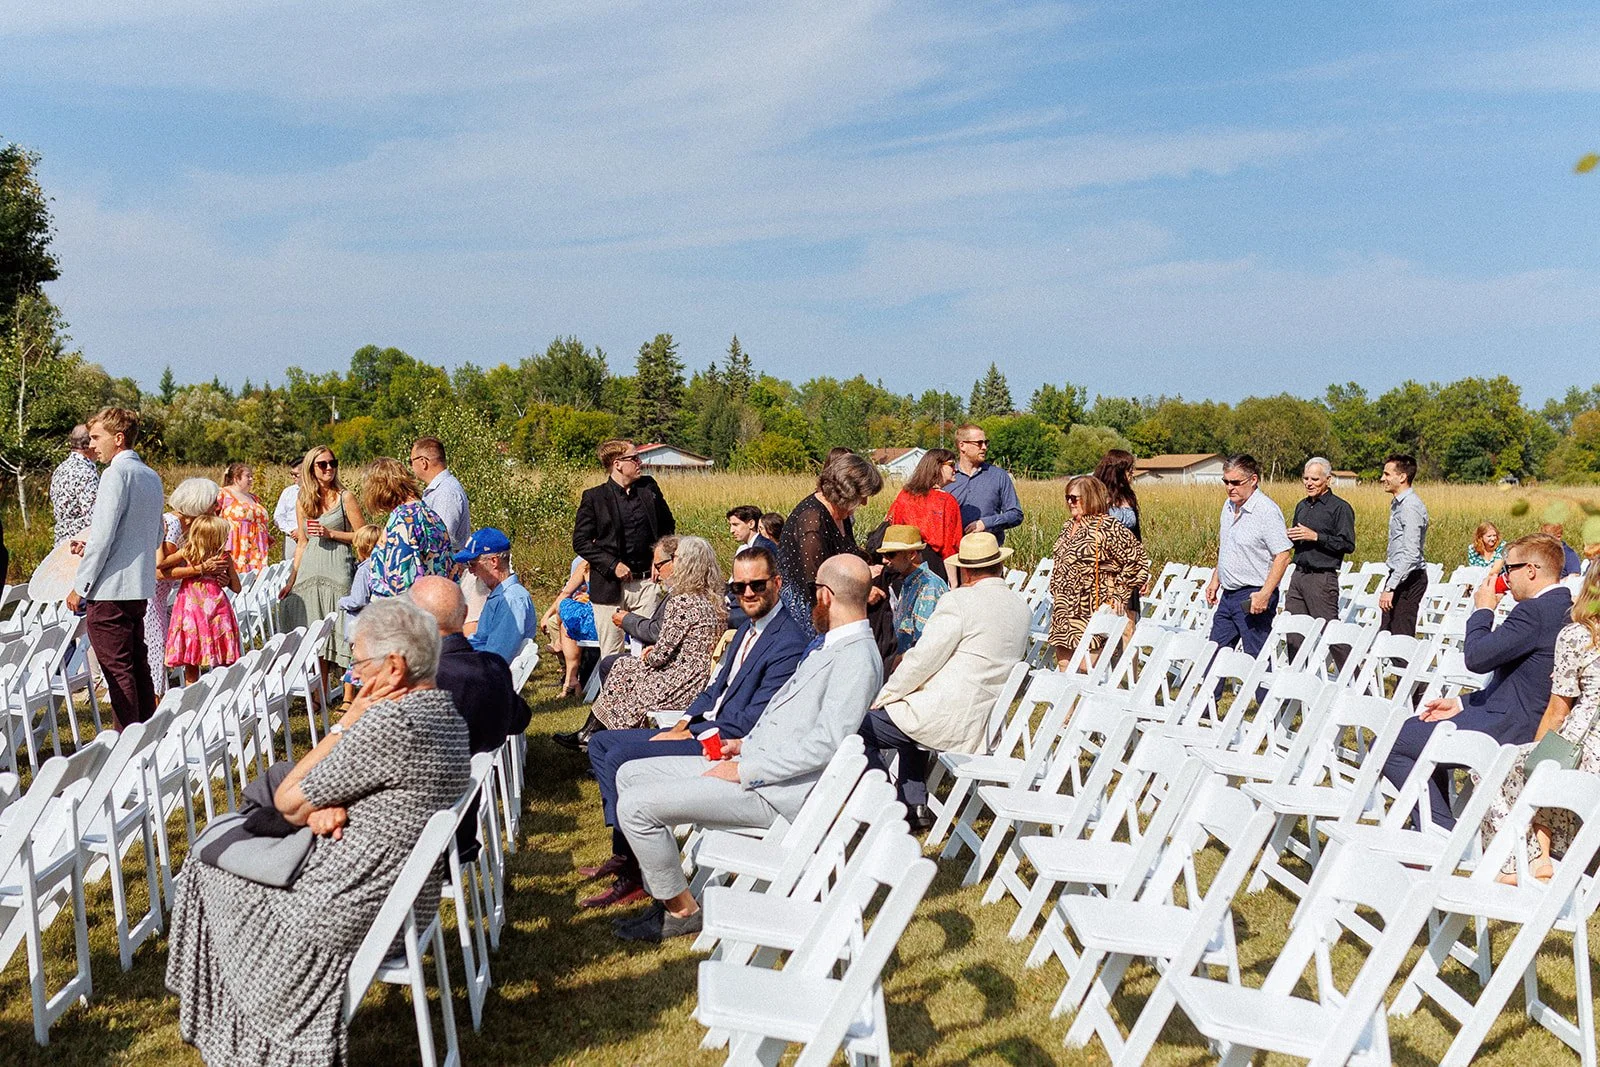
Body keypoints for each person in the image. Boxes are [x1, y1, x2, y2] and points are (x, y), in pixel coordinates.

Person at [165, 597, 471, 1067]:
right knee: (229, 849)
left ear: (393, 668)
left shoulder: (392, 721)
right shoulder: (444, 714)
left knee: (206, 866)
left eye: (358, 662)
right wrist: (320, 807)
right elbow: (357, 791)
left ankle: (228, 1024)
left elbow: (288, 800)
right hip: (402, 899)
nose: (351, 675)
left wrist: (346, 723)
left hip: (345, 907)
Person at [611, 554, 881, 941]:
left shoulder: (855, 657)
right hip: (755, 765)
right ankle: (667, 889)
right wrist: (741, 745)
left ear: (825, 594)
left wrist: (747, 770)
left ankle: (681, 909)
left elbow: (828, 744)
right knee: (630, 773)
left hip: (774, 792)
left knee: (635, 808)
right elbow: (791, 720)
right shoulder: (834, 645)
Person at [578, 547, 806, 908]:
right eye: (738, 587)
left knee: (619, 756)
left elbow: (754, 720)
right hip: (701, 726)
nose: (747, 594)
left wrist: (695, 732)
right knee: (602, 743)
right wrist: (683, 722)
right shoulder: (750, 627)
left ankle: (634, 870)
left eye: (757, 585)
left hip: (722, 744)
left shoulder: (787, 642)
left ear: (776, 584)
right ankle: (627, 851)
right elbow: (716, 688)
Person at [1381, 534, 1573, 829]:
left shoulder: (1534, 612)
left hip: (1510, 727)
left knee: (1396, 743)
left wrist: (1483, 609)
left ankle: (1439, 832)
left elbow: (1477, 658)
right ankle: (1435, 827)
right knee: (1420, 730)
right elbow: (1518, 680)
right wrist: (1460, 703)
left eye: (1509, 569)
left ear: (1531, 570)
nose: (1505, 579)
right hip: (1512, 714)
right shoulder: (1563, 607)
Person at [860, 532, 1031, 826]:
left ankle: (886, 807)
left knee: (856, 725)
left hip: (949, 714)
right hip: (985, 717)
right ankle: (913, 805)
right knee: (907, 714)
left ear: (965, 569)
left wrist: (885, 695)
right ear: (999, 566)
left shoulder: (960, 601)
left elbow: (923, 658)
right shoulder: (1021, 607)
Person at [1477, 559, 1600, 882]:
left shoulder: (1580, 636)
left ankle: (1522, 858)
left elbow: (1558, 711)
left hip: (1587, 747)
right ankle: (1541, 856)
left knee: (1504, 765)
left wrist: (1539, 749)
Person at [562, 536, 724, 746]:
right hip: (697, 678)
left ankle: (613, 741)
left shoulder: (683, 602)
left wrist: (650, 654)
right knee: (623, 667)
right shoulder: (713, 600)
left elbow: (660, 656)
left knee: (623, 673)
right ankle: (596, 734)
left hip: (680, 684)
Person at [67, 407, 164, 729]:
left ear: (118, 438)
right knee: (137, 665)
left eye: (97, 437)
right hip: (138, 585)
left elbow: (103, 535)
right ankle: (145, 733)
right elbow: (156, 535)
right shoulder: (150, 476)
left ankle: (125, 741)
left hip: (109, 590)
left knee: (117, 671)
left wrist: (80, 586)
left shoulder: (115, 474)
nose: (92, 444)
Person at [573, 439, 675, 659]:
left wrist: (660, 559)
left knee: (648, 648)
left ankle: (645, 693)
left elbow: (668, 527)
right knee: (611, 652)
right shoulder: (594, 497)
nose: (640, 462)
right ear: (618, 463)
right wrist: (612, 565)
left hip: (646, 582)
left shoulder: (649, 488)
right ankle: (612, 692)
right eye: (635, 458)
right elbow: (580, 542)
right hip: (609, 585)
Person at [410, 576, 531, 754]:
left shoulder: (419, 679)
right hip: (483, 770)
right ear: (465, 614)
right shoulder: (494, 667)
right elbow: (520, 719)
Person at [1048, 476, 1152, 669]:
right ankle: (1069, 701)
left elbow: (1136, 560)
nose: (1070, 502)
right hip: (1064, 606)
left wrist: (1120, 593)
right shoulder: (1068, 526)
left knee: (1086, 667)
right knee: (1064, 666)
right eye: (1067, 498)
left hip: (1091, 605)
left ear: (1090, 497)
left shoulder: (1108, 527)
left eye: (1074, 498)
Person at [776, 451, 883, 637]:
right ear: (847, 492)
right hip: (809, 618)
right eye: (862, 496)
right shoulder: (813, 520)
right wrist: (863, 592)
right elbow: (816, 584)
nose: (864, 503)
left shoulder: (841, 514)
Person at [281, 445, 365, 675]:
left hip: (338, 569)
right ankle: (320, 692)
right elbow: (302, 543)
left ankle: (349, 691)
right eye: (323, 464)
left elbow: (363, 536)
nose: (329, 468)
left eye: (333, 463)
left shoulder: (345, 497)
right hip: (310, 570)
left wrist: (332, 534)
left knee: (344, 627)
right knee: (314, 629)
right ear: (311, 468)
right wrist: (291, 579)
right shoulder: (303, 500)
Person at [1204, 454, 1292, 658]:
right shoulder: (1227, 507)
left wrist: (1265, 594)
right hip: (1228, 595)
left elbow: (1283, 555)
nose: (1229, 487)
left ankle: (1263, 691)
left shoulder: (1266, 511)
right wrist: (1215, 580)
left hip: (1253, 595)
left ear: (1253, 480)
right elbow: (1227, 547)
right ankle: (1210, 691)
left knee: (1255, 657)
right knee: (1213, 655)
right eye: (1225, 482)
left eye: (1236, 482)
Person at [149, 478, 223, 697]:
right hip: (150, 597)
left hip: (160, 597)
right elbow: (159, 569)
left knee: (159, 652)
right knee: (155, 653)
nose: (217, 507)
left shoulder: (187, 526)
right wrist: (200, 569)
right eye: (213, 502)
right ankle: (154, 712)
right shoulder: (172, 524)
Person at [165, 516, 242, 685]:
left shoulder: (218, 555)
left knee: (198, 655)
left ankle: (196, 688)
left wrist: (226, 580)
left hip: (200, 606)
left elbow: (236, 587)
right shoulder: (191, 552)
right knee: (200, 654)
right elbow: (163, 565)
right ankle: (215, 689)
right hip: (202, 607)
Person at [365, 457, 455, 597]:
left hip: (410, 612)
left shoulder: (403, 520)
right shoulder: (431, 515)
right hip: (436, 603)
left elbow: (400, 581)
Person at [1284, 456, 1357, 623]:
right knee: (1293, 631)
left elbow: (1347, 544)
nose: (1309, 483)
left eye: (1315, 479)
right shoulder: (1301, 505)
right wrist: (1290, 537)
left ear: (1328, 479)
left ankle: (1352, 650)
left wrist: (1316, 537)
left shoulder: (1340, 508)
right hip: (1298, 576)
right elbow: (1298, 539)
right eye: (1306, 478)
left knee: (1328, 631)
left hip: (1322, 579)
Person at [455, 527, 536, 664]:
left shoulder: (512, 599)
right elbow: (480, 640)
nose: (471, 571)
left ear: (494, 561)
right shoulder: (500, 595)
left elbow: (498, 656)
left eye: (472, 564)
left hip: (488, 676)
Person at [1379, 453, 1429, 637]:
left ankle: (1405, 667)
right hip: (1399, 575)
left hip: (1408, 579)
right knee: (1386, 633)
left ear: (1402, 477)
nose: (1382, 478)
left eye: (1387, 474)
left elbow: (1411, 554)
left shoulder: (1410, 507)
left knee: (1400, 636)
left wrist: (1390, 587)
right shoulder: (1399, 504)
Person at [947, 423, 1024, 544]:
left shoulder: (998, 476)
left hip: (990, 555)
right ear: (962, 446)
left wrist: (986, 523)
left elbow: (1016, 514)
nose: (984, 447)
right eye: (979, 443)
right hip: (954, 556)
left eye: (986, 443)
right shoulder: (946, 478)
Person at [887, 448, 964, 565]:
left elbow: (894, 527)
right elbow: (952, 544)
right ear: (937, 466)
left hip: (905, 561)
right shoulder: (946, 500)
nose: (956, 469)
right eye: (951, 465)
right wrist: (954, 580)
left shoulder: (904, 494)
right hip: (936, 563)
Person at [878, 525, 948, 653]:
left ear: (911, 554)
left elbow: (925, 644)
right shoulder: (908, 583)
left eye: (890, 555)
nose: (884, 560)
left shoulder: (930, 587)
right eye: (883, 555)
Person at [336, 524, 384, 704]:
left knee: (359, 662)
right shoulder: (380, 566)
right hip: (376, 622)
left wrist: (342, 601)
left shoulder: (364, 570)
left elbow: (358, 599)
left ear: (363, 547)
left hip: (361, 624)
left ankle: (360, 700)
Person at [540, 556, 596, 697]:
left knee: (567, 615)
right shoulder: (584, 565)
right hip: (592, 619)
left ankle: (570, 679)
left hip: (604, 619)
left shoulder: (589, 565)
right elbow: (565, 593)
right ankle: (570, 680)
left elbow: (565, 595)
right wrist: (546, 615)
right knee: (568, 619)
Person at [408, 435, 471, 550]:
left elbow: (441, 539)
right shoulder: (440, 490)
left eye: (411, 461)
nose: (411, 466)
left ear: (423, 462)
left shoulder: (445, 493)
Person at [218, 461, 272, 575]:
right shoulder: (224, 493)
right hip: (236, 545)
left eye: (251, 476)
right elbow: (212, 517)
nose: (251, 479)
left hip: (257, 546)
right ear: (236, 478)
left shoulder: (254, 498)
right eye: (248, 476)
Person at [50, 423, 99, 545]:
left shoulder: (60, 469)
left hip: (60, 543)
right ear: (87, 445)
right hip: (78, 545)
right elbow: (93, 516)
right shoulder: (86, 473)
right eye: (96, 439)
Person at [273, 458, 302, 549]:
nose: (293, 477)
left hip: (311, 538)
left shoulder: (317, 491)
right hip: (291, 538)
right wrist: (292, 531)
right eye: (291, 474)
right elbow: (278, 516)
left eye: (296, 474)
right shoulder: (288, 492)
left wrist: (302, 531)